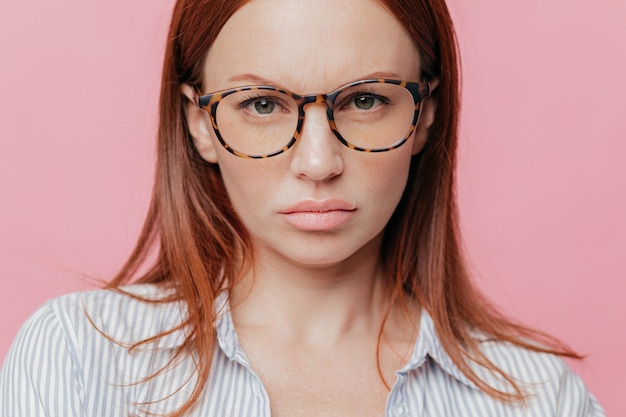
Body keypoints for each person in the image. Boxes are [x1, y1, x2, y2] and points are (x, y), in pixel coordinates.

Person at [0, 0, 606, 416]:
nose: (319, 163)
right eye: (262, 105)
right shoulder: (79, 356)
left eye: (366, 99)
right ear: (199, 123)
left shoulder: (536, 397)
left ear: (425, 114)